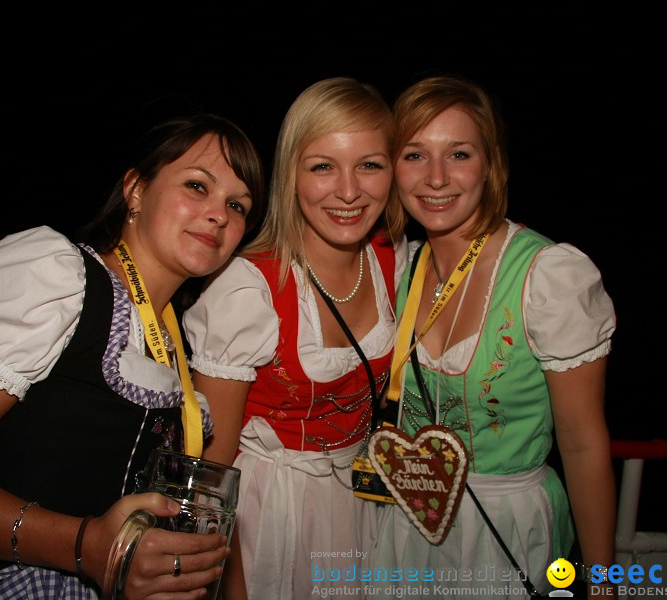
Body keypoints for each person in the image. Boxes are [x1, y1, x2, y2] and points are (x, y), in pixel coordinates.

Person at [0, 113, 264, 599]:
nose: (219, 214)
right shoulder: (56, 283)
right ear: (136, 190)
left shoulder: (177, 345)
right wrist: (85, 545)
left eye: (238, 205)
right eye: (196, 185)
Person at [368, 75, 617, 599]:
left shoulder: (548, 276)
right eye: (415, 155)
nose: (436, 178)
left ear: (491, 163)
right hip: (408, 521)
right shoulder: (403, 267)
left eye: (458, 153)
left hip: (508, 526)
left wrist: (603, 583)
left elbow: (583, 444)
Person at [182, 77, 408, 600]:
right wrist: (229, 587)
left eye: (370, 165)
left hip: (360, 502)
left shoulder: (392, 259)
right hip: (270, 511)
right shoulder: (247, 287)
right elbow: (211, 472)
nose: (349, 191)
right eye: (323, 166)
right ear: (291, 173)